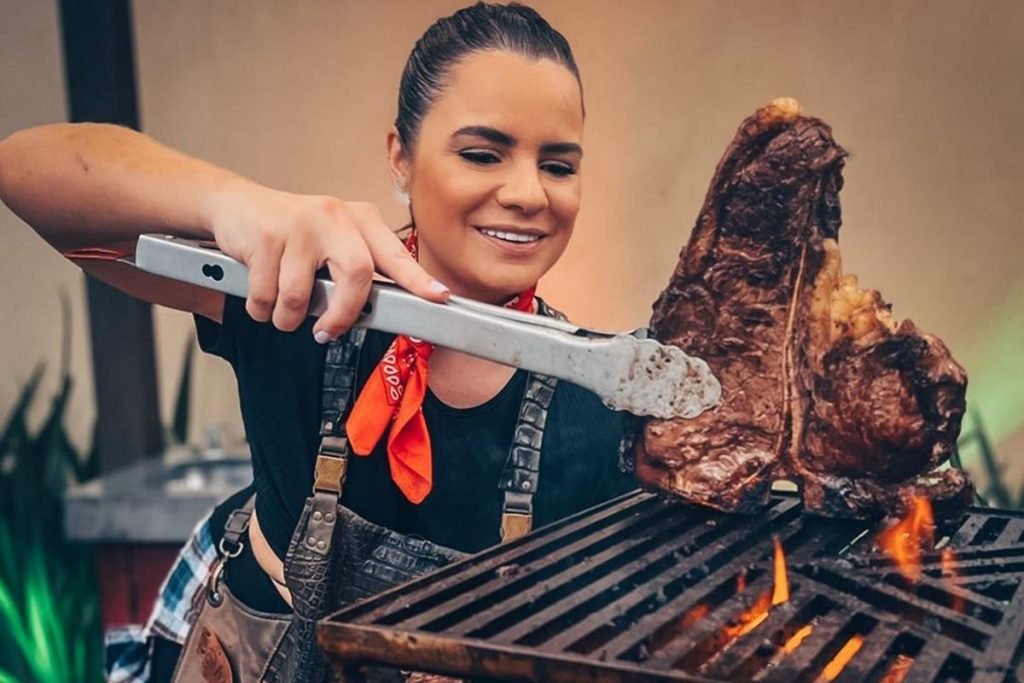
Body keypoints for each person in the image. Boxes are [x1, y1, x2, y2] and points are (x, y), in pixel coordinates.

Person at [0, 3, 637, 681]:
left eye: (559, 166)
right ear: (401, 158)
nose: (527, 192)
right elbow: (27, 169)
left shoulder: (597, 402)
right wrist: (238, 204)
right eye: (482, 154)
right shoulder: (303, 298)